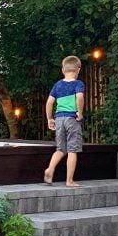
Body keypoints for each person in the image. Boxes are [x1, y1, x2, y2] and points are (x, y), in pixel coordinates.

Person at [44, 55, 84, 187]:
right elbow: (79, 97)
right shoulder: (78, 84)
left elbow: (49, 102)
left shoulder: (58, 85)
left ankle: (50, 169)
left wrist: (50, 118)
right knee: (72, 150)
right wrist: (80, 112)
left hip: (59, 118)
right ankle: (69, 181)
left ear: (63, 70)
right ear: (78, 69)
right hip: (72, 119)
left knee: (61, 149)